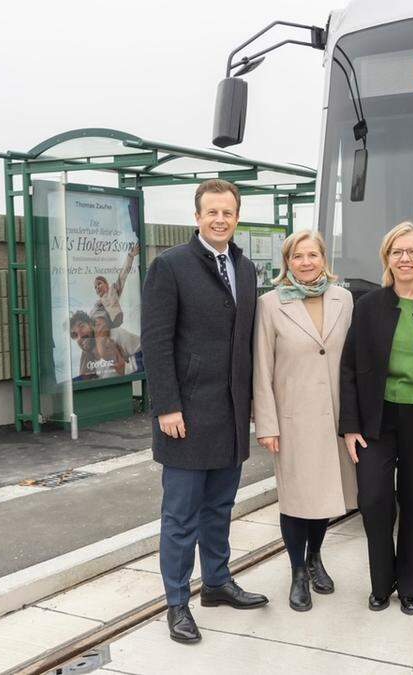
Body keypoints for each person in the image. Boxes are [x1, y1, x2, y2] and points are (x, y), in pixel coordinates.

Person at [142, 178, 267, 645]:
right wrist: (167, 406)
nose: (220, 220)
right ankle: (177, 602)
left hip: (231, 414)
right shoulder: (170, 266)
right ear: (197, 217)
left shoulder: (245, 267)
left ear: (237, 218)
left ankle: (216, 582)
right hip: (186, 416)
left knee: (220, 507)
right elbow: (155, 342)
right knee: (181, 517)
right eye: (211, 212)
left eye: (228, 213)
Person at [339, 222, 413, 615]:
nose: (405, 259)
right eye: (397, 252)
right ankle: (380, 582)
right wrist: (350, 426)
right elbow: (349, 368)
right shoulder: (368, 306)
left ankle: (410, 587)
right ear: (387, 258)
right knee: (373, 500)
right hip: (376, 420)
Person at [253, 230, 356, 612]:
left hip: (334, 416)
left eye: (313, 255)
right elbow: (261, 367)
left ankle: (316, 558)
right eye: (299, 256)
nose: (307, 262)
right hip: (292, 420)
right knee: (296, 500)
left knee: (326, 496)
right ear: (288, 262)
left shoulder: (343, 299)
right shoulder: (269, 304)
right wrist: (267, 424)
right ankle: (298, 572)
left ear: (324, 258)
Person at [93, 243, 140, 328]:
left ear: (106, 284)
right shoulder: (98, 304)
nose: (97, 288)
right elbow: (91, 315)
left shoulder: (113, 290)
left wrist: (130, 256)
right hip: (107, 326)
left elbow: (123, 275)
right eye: (95, 287)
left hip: (117, 320)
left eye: (99, 284)